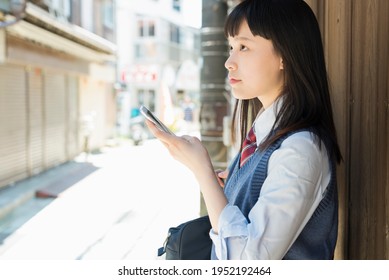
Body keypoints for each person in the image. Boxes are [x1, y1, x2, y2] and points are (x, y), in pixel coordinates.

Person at [146, 0, 342, 260]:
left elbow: (246, 265)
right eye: (231, 47)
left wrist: (202, 171)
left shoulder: (300, 149)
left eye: (244, 47)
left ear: (285, 55)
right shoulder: (263, 137)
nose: (229, 61)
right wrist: (235, 185)